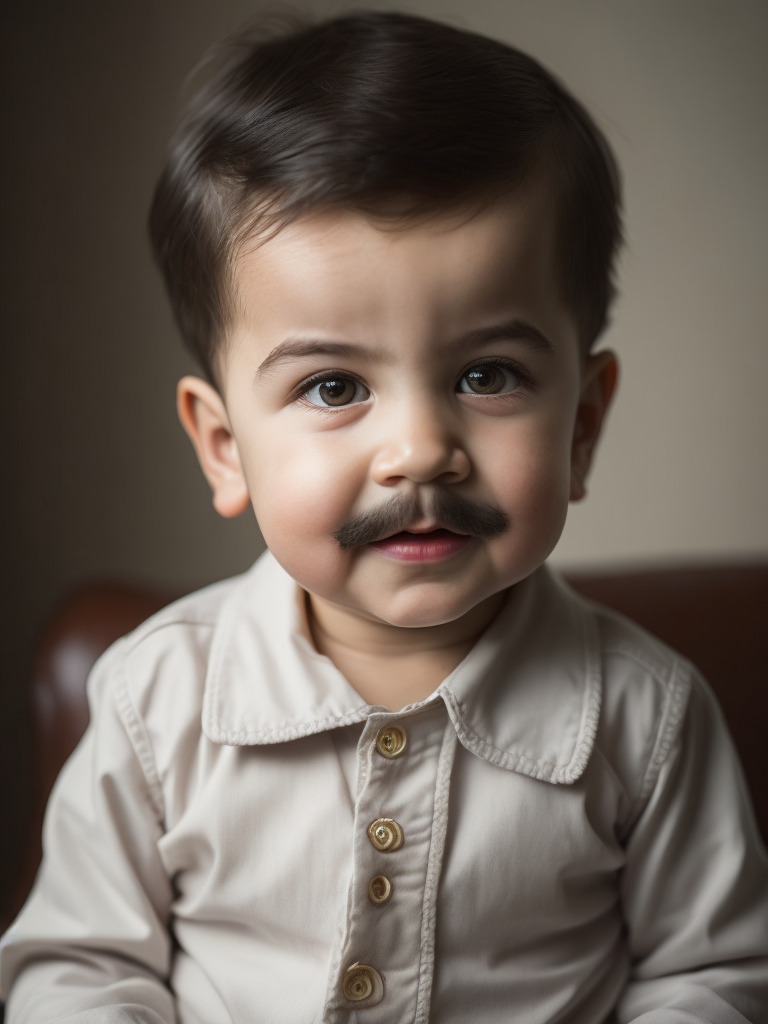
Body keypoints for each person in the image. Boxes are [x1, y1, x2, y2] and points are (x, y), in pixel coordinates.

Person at [1, 11, 766, 1023]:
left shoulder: (650, 721)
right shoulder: (157, 703)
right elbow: (78, 969)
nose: (418, 448)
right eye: (331, 387)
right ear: (225, 446)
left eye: (487, 375)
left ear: (581, 424)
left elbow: (711, 979)